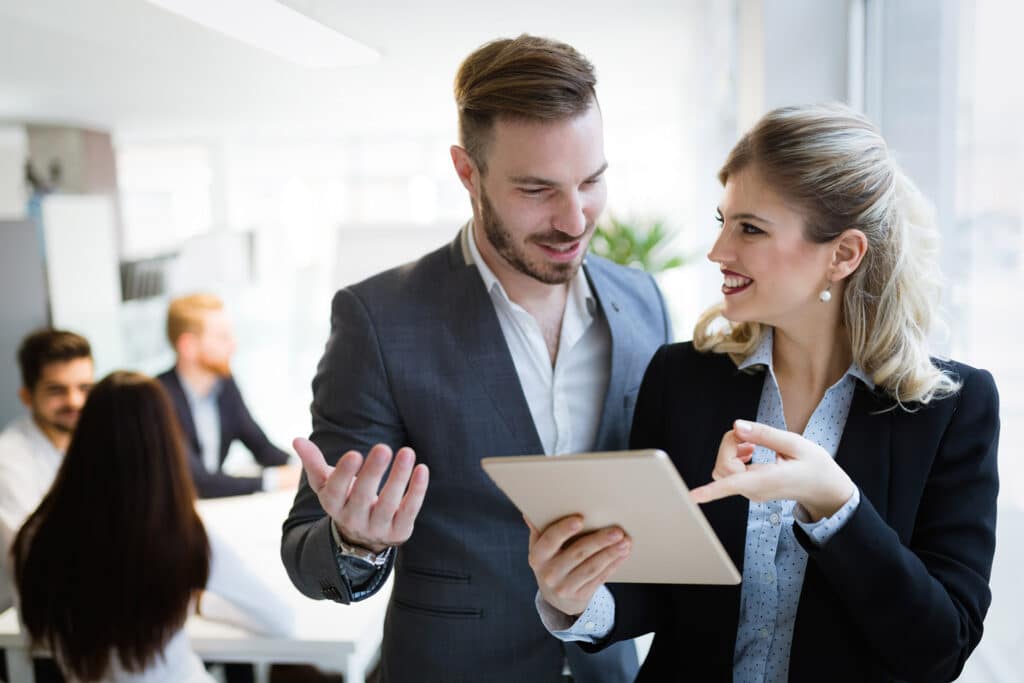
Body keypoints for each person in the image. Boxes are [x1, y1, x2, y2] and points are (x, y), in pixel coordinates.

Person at [529, 104, 1000, 682]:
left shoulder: (952, 408)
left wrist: (836, 506)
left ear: (844, 255)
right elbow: (654, 585)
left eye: (749, 228)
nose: (718, 251)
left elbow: (939, 648)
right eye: (722, 221)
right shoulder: (681, 378)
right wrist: (575, 597)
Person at [282, 34, 671, 682]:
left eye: (592, 181)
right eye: (538, 190)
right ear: (468, 172)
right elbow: (305, 551)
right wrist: (356, 540)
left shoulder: (643, 301)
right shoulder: (379, 320)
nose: (575, 219)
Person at [11, 371, 294, 682]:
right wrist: (202, 603)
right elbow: (279, 620)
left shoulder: (35, 537)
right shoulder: (178, 533)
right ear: (164, 441)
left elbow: (35, 634)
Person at [158, 293, 300, 498]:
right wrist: (277, 479)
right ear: (188, 346)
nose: (233, 345)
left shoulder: (224, 385)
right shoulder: (159, 397)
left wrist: (301, 467)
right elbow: (196, 482)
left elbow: (260, 446)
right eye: (222, 337)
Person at [0, 329, 93, 611]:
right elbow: (36, 554)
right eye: (57, 390)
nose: (74, 401)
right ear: (27, 396)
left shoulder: (91, 440)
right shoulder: (9, 459)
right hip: (28, 615)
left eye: (84, 388)